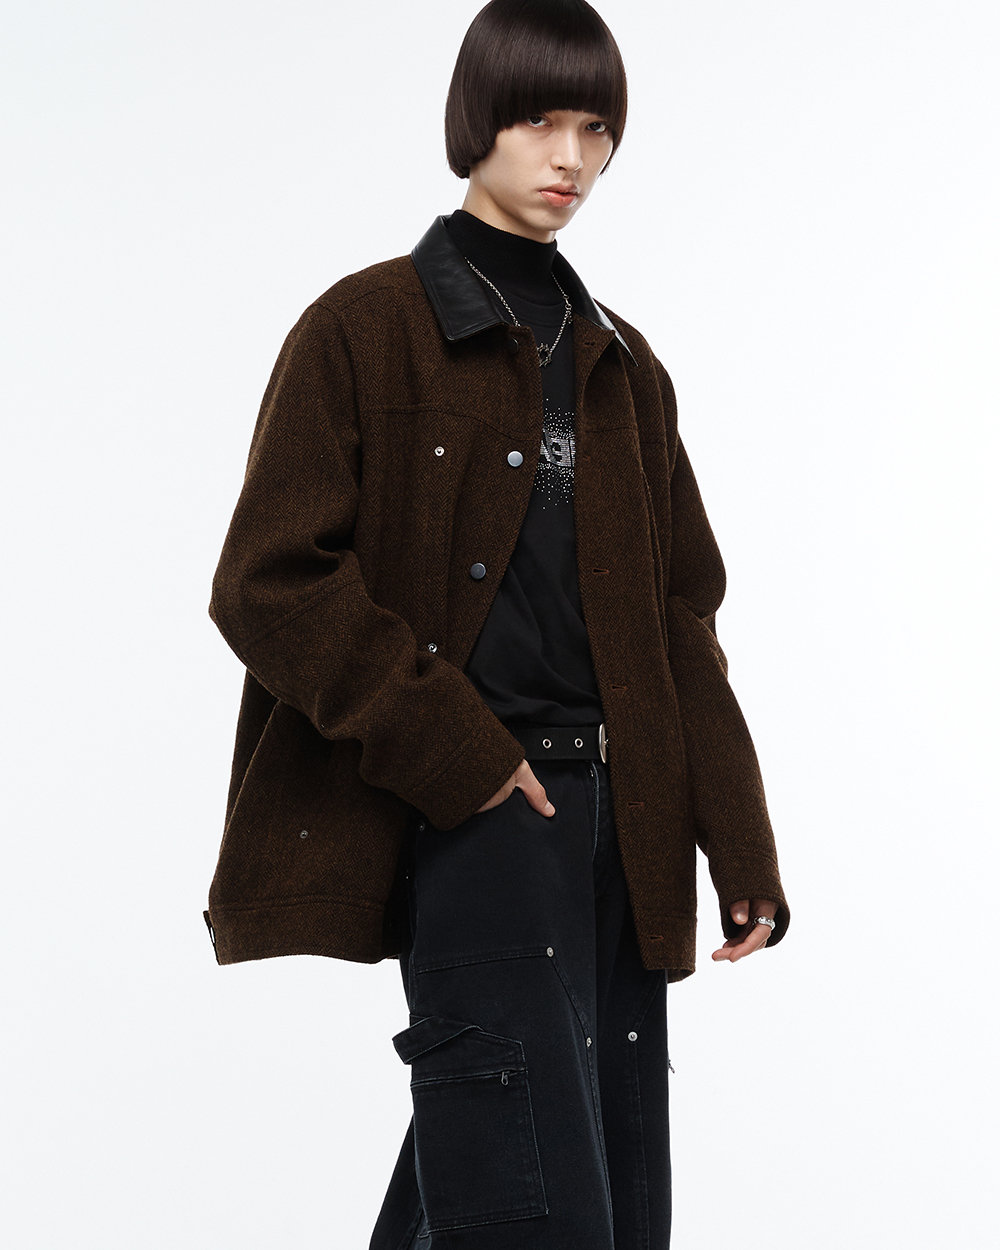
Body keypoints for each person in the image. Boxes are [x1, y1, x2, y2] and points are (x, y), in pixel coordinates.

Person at [203, 2, 790, 1246]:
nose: (570, 157)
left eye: (597, 128)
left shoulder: (625, 364)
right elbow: (267, 581)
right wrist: (457, 752)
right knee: (530, 1205)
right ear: (476, 122)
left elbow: (682, 616)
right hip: (477, 818)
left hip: (622, 831)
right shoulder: (362, 329)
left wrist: (736, 838)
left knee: (591, 1198)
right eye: (538, 120)